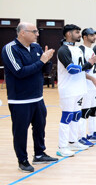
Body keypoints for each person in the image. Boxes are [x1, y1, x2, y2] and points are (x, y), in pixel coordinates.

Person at [2, 22, 58, 172]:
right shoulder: (10, 49)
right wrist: (41, 61)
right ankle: (23, 160)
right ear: (22, 33)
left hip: (37, 97)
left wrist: (48, 60)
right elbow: (20, 72)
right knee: (20, 131)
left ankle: (39, 154)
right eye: (34, 31)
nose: (37, 34)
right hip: (20, 100)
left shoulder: (36, 47)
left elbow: (44, 70)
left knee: (40, 128)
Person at [56, 24, 96, 156]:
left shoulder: (78, 50)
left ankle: (73, 141)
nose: (79, 35)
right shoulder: (63, 50)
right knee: (67, 116)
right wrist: (89, 63)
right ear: (69, 34)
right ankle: (62, 146)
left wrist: (91, 64)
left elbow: (84, 69)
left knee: (76, 116)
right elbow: (71, 69)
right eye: (77, 32)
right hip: (68, 89)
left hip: (79, 88)